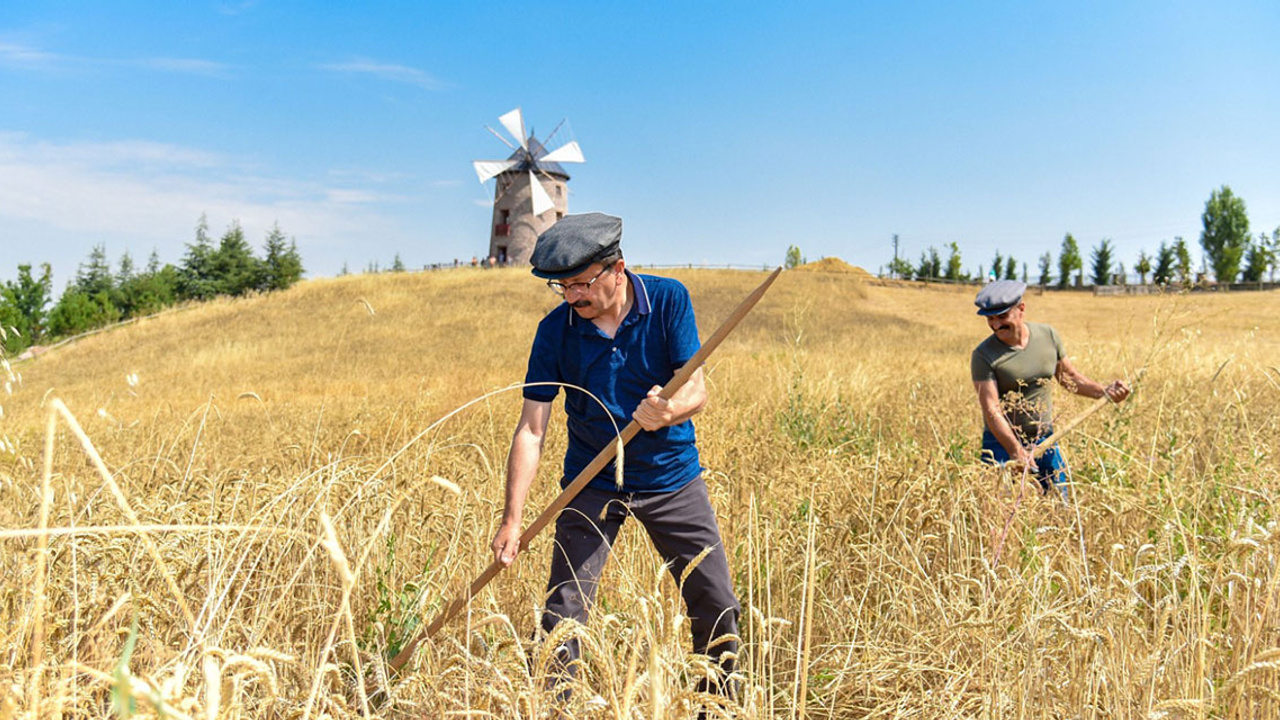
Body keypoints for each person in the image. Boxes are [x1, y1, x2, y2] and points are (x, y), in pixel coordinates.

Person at [491, 212, 740, 700]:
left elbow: (696, 389)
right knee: (563, 612)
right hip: (592, 480)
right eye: (562, 287)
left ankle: (719, 706)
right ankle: (552, 708)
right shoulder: (554, 331)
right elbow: (530, 428)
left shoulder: (668, 300)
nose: (573, 297)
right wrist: (512, 518)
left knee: (715, 601)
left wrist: (668, 412)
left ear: (618, 269)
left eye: (582, 284)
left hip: (671, 478)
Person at [970, 280, 1131, 501]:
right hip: (1000, 445)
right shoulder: (983, 355)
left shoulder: (1047, 336)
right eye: (990, 318)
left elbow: (1069, 378)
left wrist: (1104, 391)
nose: (996, 325)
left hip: (1044, 439)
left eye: (1002, 317)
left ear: (1021, 309)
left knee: (1058, 506)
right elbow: (991, 409)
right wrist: (1015, 450)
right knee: (997, 512)